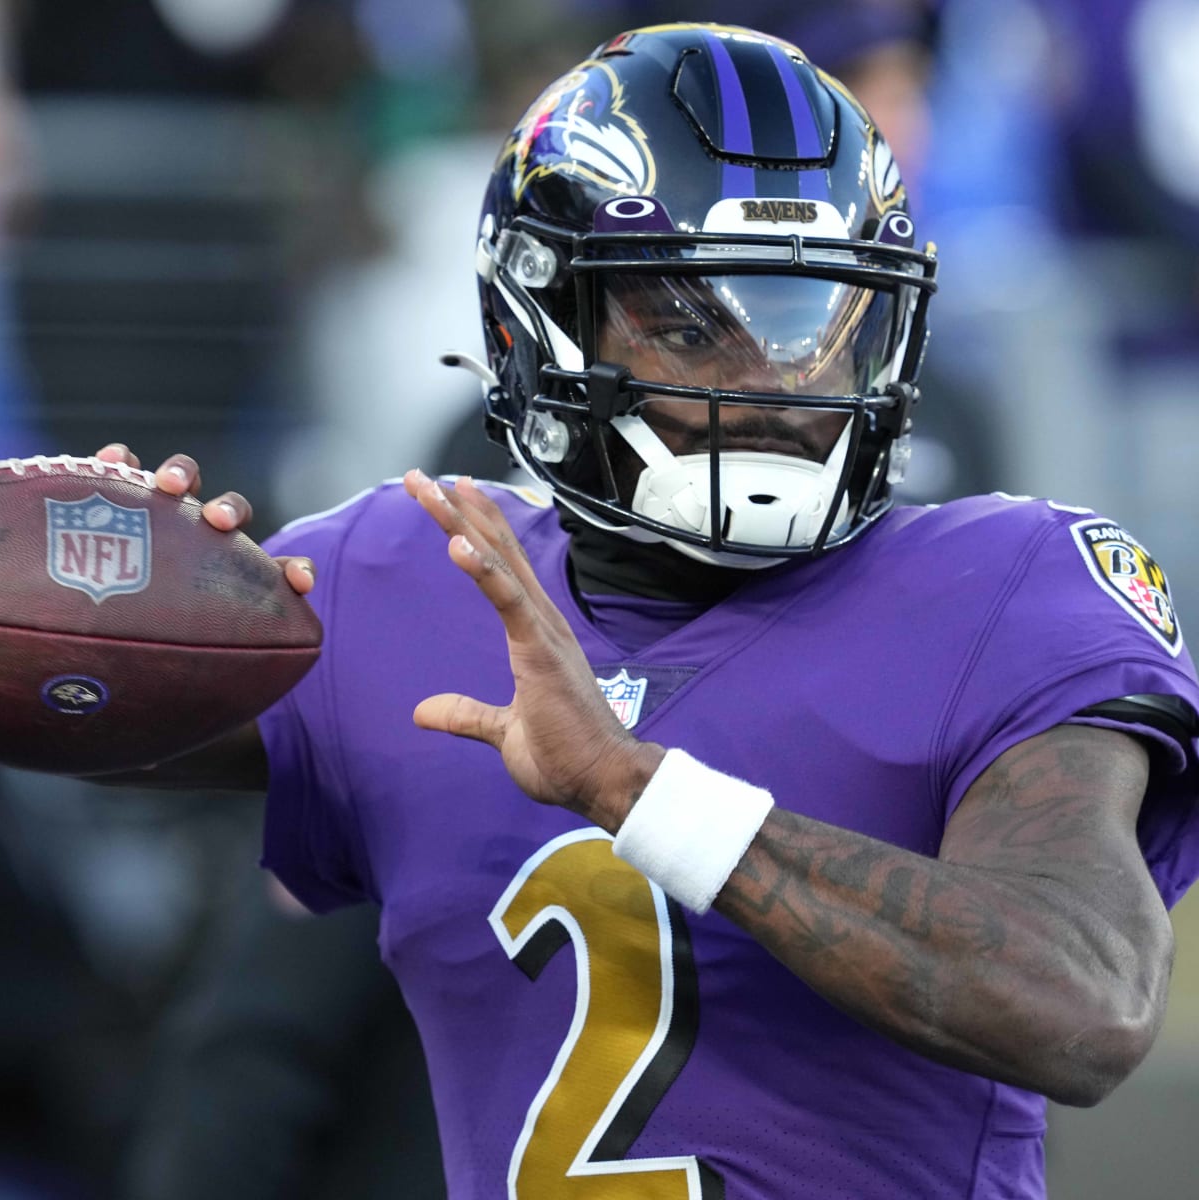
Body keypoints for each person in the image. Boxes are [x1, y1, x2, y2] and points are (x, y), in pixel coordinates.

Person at [71, 21, 1199, 1200]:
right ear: (533, 325)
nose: (774, 383)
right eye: (686, 324)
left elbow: (1085, 1003)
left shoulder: (1008, 588)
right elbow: (87, 704)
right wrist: (89, 584)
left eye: (820, 321)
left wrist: (638, 791)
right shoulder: (412, 571)